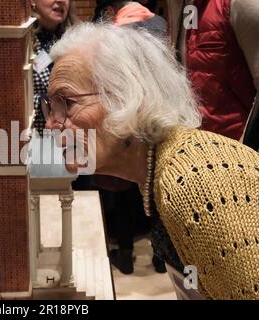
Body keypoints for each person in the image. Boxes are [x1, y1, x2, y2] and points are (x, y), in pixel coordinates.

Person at [43, 23, 259, 299]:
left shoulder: (191, 179)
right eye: (49, 107)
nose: (51, 126)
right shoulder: (159, 171)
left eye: (66, 103)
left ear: (126, 95)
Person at [91, 0, 167, 275]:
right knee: (153, 191)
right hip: (155, 120)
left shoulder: (113, 33)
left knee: (124, 192)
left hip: (124, 120)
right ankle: (161, 258)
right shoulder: (158, 25)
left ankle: (125, 255)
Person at [166, 0, 259, 141]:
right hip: (198, 150)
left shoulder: (244, 4)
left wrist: (244, 152)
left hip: (239, 153)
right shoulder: (186, 7)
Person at [32, 0, 77, 137]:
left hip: (73, 135)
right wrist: (46, 103)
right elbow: (14, 98)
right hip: (35, 138)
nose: (62, 1)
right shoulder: (20, 42)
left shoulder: (76, 38)